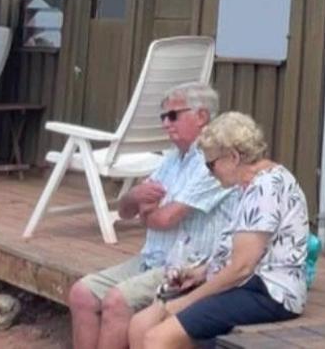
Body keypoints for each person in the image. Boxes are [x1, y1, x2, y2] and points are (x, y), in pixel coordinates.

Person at [67, 83, 233, 349]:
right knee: (81, 293)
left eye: (173, 115)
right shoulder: (170, 160)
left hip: (186, 267)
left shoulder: (212, 162)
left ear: (201, 116)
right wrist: (135, 196)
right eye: (163, 117)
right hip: (152, 259)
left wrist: (147, 211)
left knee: (117, 301)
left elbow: (166, 220)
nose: (166, 124)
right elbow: (124, 211)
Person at [128, 112, 311, 347]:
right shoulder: (249, 185)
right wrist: (202, 272)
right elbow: (243, 257)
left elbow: (242, 268)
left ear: (233, 157)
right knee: (141, 324)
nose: (208, 172)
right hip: (246, 285)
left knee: (158, 337)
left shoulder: (266, 188)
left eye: (210, 164)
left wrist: (184, 303)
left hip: (268, 293)